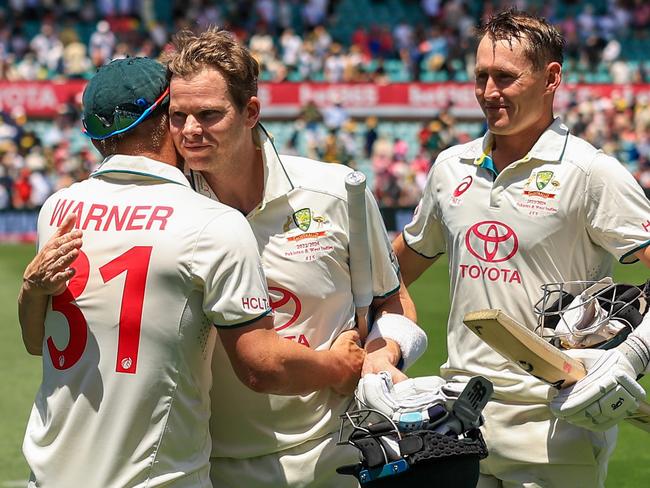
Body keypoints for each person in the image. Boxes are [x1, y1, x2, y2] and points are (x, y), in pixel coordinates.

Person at [18, 57, 366, 487]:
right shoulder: (211, 222)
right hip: (157, 477)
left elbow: (37, 341)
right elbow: (261, 367)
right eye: (180, 113)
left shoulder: (58, 209)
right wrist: (338, 365)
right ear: (167, 118)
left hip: (50, 472)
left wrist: (31, 293)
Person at [392, 9, 650, 488]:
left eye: (506, 78)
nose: (489, 93)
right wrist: (383, 351)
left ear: (551, 78)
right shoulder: (451, 166)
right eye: (481, 77)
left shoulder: (592, 172)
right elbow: (392, 273)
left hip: (555, 425)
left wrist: (633, 353)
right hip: (460, 415)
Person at [164, 28, 426, 487]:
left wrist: (384, 356)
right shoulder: (168, 211)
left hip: (339, 454)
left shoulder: (337, 191)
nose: (190, 131)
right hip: (215, 464)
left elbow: (392, 301)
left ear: (250, 112)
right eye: (177, 115)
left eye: (208, 114)